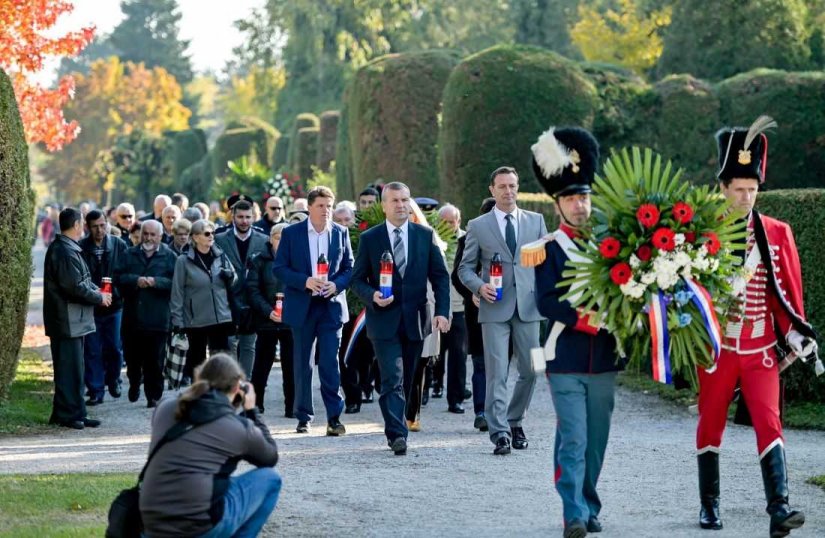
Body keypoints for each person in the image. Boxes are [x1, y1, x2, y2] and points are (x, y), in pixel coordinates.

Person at [695, 116, 816, 537]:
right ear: (723, 188)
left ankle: (779, 508)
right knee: (711, 423)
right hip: (717, 350)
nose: (747, 197)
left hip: (761, 348)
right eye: (739, 189)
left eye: (753, 189)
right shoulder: (702, 232)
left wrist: (797, 332)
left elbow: (786, 295)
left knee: (770, 421)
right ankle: (709, 505)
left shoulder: (777, 233)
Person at [532, 127, 621, 538]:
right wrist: (586, 318)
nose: (580, 205)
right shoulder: (548, 248)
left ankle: (588, 501)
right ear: (558, 205)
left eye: (583, 197)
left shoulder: (613, 246)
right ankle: (574, 514)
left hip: (604, 357)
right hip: (564, 355)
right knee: (574, 437)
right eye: (571, 198)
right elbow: (545, 301)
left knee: (596, 441)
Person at [351, 182, 451, 455]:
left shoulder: (424, 235)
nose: (401, 205)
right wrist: (372, 295)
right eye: (395, 200)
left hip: (417, 320)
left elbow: (440, 277)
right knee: (391, 379)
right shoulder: (371, 239)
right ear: (384, 205)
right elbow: (357, 279)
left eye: (405, 199)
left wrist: (443, 311)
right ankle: (397, 434)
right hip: (383, 320)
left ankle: (399, 423)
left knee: (407, 379)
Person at [140, 354, 281, 537]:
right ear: (238, 388)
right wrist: (251, 410)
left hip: (151, 525)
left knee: (216, 478)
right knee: (270, 479)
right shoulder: (237, 428)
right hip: (198, 528)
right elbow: (270, 457)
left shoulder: (166, 407)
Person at [458, 165, 547, 456]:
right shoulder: (478, 225)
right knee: (496, 372)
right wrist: (478, 287)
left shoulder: (536, 221)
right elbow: (465, 268)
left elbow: (545, 265)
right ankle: (499, 433)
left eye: (512, 186)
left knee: (533, 369)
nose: (508, 191)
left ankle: (515, 420)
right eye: (503, 186)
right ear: (492, 190)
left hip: (530, 308)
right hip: (494, 306)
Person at [274, 186, 352, 436]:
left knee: (330, 363)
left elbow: (350, 268)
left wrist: (336, 284)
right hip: (302, 306)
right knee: (303, 364)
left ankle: (334, 417)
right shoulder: (292, 233)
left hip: (330, 307)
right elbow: (279, 268)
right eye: (321, 206)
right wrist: (304, 281)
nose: (326, 211)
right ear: (309, 207)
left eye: (329, 206)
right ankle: (303, 416)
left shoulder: (341, 233)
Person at [43, 207, 111, 429]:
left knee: (75, 369)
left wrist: (98, 293)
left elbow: (84, 279)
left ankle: (77, 412)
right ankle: (67, 414)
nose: (83, 227)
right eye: (81, 223)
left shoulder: (68, 248)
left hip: (73, 319)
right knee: (68, 370)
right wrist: (98, 298)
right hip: (66, 320)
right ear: (76, 225)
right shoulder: (64, 251)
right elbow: (74, 286)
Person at [116, 220, 177, 407]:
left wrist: (155, 282)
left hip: (158, 318)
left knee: (155, 361)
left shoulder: (169, 256)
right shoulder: (128, 254)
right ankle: (134, 382)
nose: (149, 238)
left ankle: (154, 395)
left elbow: (175, 283)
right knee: (133, 359)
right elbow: (118, 278)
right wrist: (136, 281)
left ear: (160, 236)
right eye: (146, 234)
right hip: (133, 318)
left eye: (153, 234)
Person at [170, 219, 237, 382]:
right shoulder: (183, 261)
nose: (211, 236)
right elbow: (177, 292)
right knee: (196, 362)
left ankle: (221, 395)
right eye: (207, 233)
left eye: (213, 233)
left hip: (221, 317)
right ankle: (199, 396)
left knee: (221, 361)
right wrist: (177, 321)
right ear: (195, 237)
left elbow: (234, 277)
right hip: (196, 320)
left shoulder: (220, 255)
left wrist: (230, 276)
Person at [452, 197, 496, 431]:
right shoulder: (467, 240)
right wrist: (472, 293)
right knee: (480, 362)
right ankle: (481, 411)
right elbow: (458, 274)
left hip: (502, 309)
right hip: (477, 310)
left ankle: (494, 410)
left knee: (497, 365)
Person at [79, 209, 128, 405]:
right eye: (95, 227)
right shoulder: (82, 247)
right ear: (87, 228)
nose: (99, 230)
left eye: (102, 225)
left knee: (114, 347)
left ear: (107, 223)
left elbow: (126, 272)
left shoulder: (118, 245)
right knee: (92, 350)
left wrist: (115, 292)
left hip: (114, 306)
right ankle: (96, 390)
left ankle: (113, 378)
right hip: (92, 306)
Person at [216, 200, 269, 378]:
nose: (244, 221)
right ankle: (231, 382)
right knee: (229, 343)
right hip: (227, 299)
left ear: (254, 217)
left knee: (248, 344)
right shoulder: (220, 239)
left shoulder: (263, 240)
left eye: (248, 217)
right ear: (233, 217)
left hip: (253, 300)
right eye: (240, 217)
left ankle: (245, 383)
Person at [246, 222, 295, 416]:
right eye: (278, 237)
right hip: (266, 320)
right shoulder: (258, 260)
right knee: (262, 365)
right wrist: (268, 312)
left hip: (290, 321)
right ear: (270, 239)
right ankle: (256, 404)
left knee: (291, 365)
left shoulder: (297, 260)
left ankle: (292, 406)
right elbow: (252, 290)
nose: (282, 241)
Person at [433, 203, 467, 413]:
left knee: (458, 354)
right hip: (436, 307)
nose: (448, 225)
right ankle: (428, 389)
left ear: (458, 222)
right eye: (443, 222)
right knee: (432, 353)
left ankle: (456, 398)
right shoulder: (431, 240)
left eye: (451, 222)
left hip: (460, 306)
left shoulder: (467, 240)